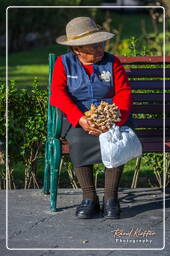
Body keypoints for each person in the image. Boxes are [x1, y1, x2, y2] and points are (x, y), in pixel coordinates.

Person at [50, 17, 132, 219]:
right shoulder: (63, 63)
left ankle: (110, 198)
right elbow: (58, 94)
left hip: (112, 116)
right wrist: (80, 119)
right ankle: (89, 198)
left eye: (101, 43)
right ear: (77, 49)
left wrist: (112, 121)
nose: (100, 48)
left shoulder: (112, 62)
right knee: (78, 140)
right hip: (78, 118)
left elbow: (124, 94)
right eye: (94, 45)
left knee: (116, 138)